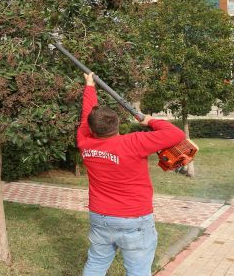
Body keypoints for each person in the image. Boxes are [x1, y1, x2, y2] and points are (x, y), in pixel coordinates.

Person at [78, 73, 185, 276]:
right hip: (134, 219)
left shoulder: (84, 141)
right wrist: (150, 120)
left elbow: (86, 115)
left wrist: (89, 86)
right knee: (137, 271)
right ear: (117, 124)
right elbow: (176, 134)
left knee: (96, 263)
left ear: (91, 129)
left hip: (100, 217)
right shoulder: (133, 143)